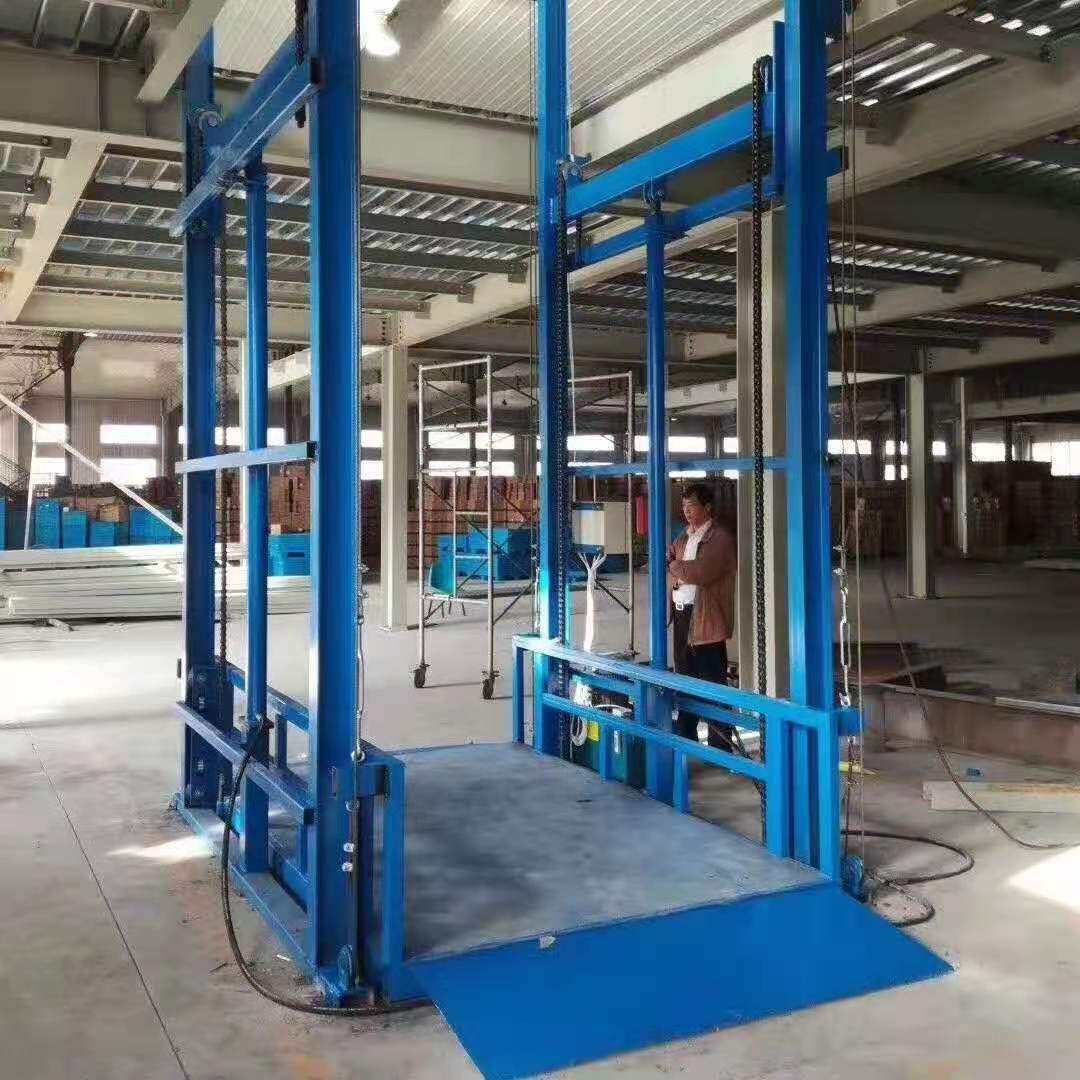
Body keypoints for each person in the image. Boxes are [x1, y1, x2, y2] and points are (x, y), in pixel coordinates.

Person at [666, 482, 737, 747]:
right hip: (683, 617)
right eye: (684, 506)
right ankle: (687, 741)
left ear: (707, 507)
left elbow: (701, 572)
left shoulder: (720, 538)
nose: (686, 511)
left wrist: (676, 568)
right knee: (685, 679)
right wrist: (678, 570)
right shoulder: (684, 537)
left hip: (706, 620)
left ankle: (720, 746)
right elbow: (669, 562)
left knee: (713, 683)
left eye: (692, 505)